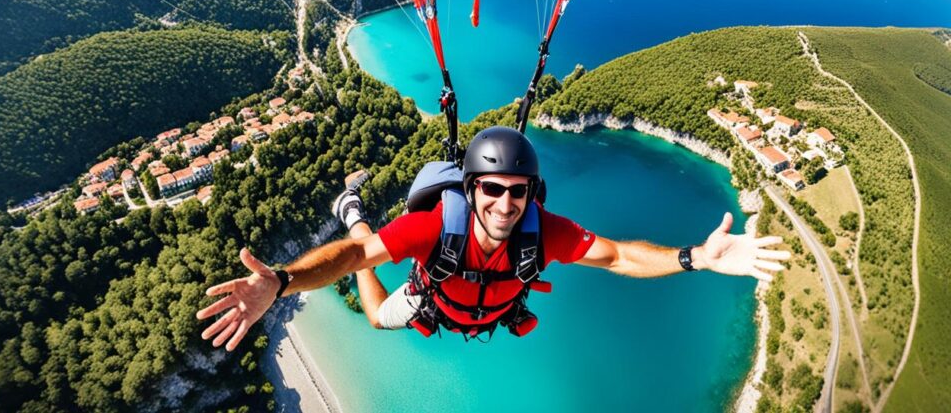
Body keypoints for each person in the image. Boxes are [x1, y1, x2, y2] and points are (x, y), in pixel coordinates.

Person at [197, 126, 791, 350]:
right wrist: (281, 284)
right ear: (472, 188)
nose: (506, 204)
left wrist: (696, 257)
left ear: (532, 192)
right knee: (375, 313)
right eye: (492, 190)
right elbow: (354, 256)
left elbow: (617, 256)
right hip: (434, 298)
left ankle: (358, 217)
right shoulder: (436, 225)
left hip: (489, 311)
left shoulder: (543, 232)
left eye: (519, 191)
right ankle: (354, 210)